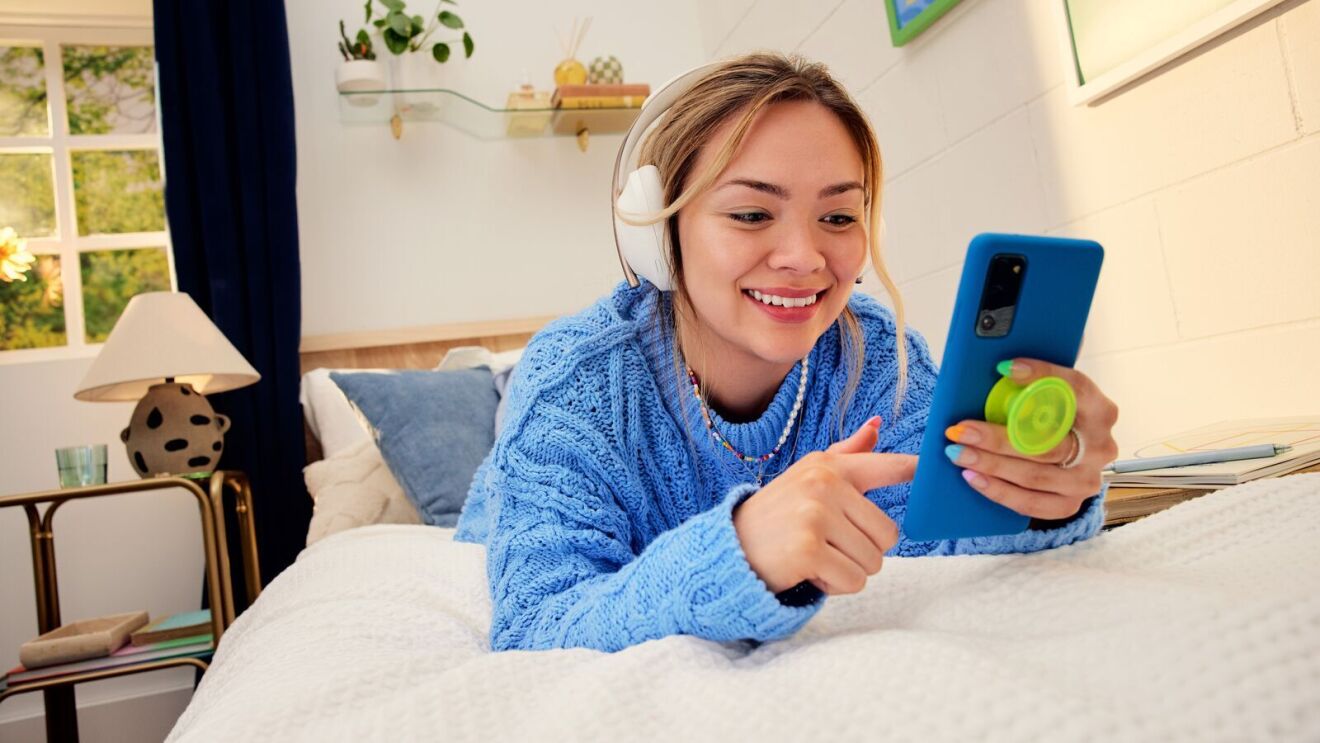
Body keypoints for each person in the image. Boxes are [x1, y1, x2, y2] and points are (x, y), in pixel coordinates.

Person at [454, 52, 1119, 653]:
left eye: (837, 217)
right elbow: (535, 621)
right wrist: (737, 549)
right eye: (750, 214)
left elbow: (939, 536)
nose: (804, 259)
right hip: (510, 482)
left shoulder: (876, 359)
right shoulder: (575, 385)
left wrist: (1040, 495)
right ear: (659, 235)